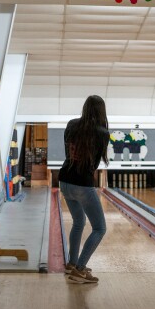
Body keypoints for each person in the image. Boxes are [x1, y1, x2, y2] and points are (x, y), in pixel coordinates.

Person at [58, 95, 110, 284]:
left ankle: (72, 264)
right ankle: (80, 270)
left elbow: (67, 152)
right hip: (83, 184)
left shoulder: (72, 124)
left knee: (78, 222)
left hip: (64, 180)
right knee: (99, 228)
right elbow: (95, 163)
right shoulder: (102, 132)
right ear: (101, 111)